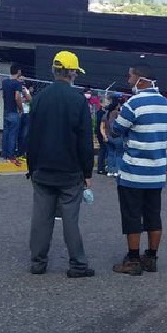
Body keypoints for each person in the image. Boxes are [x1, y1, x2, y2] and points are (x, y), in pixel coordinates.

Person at [27, 51, 94, 278]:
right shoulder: (78, 100)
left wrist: (31, 167)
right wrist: (87, 171)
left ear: (55, 71)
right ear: (72, 72)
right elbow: (85, 141)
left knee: (41, 219)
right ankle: (77, 265)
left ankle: (38, 263)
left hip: (42, 169)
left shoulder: (39, 98)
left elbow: (31, 136)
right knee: (70, 220)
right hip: (70, 171)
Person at [111, 64, 167, 275]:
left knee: (132, 216)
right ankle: (152, 257)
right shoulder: (166, 105)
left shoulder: (133, 103)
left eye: (131, 77)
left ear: (141, 79)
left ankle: (133, 260)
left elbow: (117, 129)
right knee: (153, 215)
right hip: (156, 173)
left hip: (133, 172)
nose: (128, 81)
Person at [2, 64, 23, 165]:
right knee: (13, 134)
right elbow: (17, 97)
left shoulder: (5, 82)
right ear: (18, 71)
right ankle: (11, 155)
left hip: (6, 110)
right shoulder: (17, 83)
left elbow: (4, 95)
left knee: (6, 132)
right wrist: (20, 108)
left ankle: (5, 154)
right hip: (14, 111)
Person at [101, 100, 123, 177]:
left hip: (108, 136)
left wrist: (104, 136)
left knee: (110, 154)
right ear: (116, 106)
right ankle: (117, 170)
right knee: (119, 154)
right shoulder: (118, 113)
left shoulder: (106, 114)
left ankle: (110, 171)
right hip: (117, 137)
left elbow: (102, 127)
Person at [17, 77, 33, 160]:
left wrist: (25, 95)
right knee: (19, 134)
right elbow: (17, 99)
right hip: (19, 113)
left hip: (26, 113)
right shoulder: (16, 89)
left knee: (24, 134)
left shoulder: (25, 90)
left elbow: (30, 99)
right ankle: (19, 152)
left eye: (23, 81)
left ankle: (23, 153)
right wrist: (23, 99)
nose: (22, 83)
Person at [95, 99, 107, 175]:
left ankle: (101, 167)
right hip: (101, 133)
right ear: (101, 104)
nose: (107, 104)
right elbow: (101, 124)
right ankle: (100, 168)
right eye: (106, 102)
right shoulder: (100, 113)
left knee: (103, 150)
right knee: (102, 150)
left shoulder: (102, 112)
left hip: (101, 133)